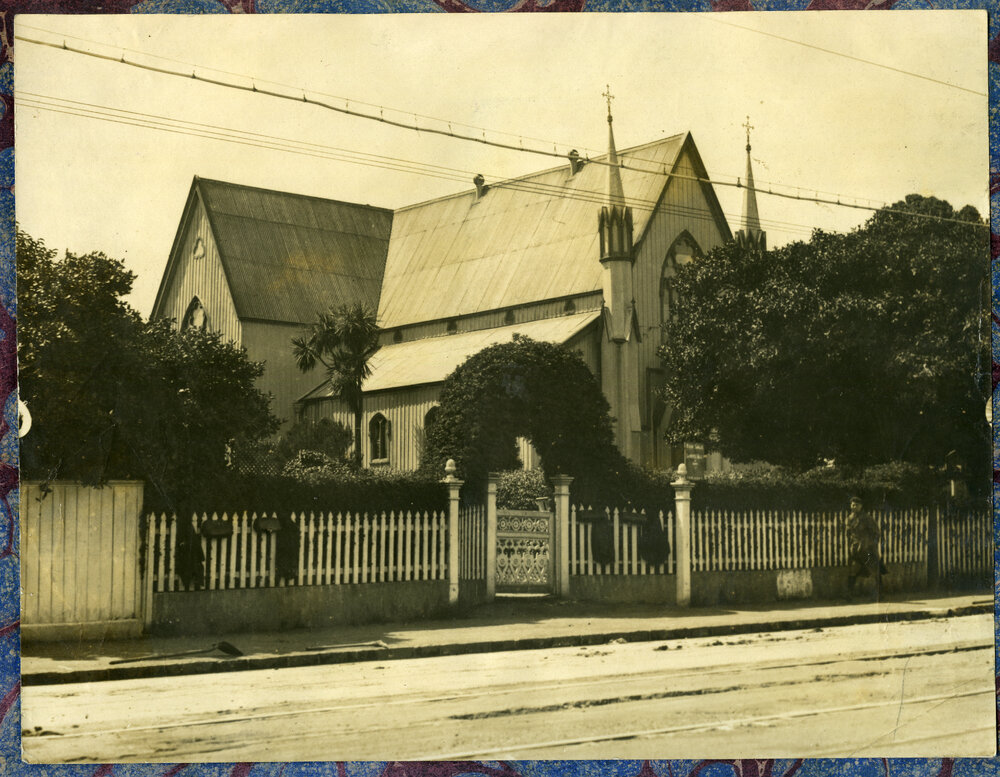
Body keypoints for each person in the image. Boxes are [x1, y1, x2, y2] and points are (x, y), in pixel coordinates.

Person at [846, 496, 881, 602]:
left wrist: (870, 544)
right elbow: (849, 534)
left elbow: (876, 533)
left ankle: (878, 595)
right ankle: (849, 595)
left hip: (868, 549)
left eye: (856, 505)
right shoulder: (849, 519)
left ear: (861, 506)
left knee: (874, 571)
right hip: (856, 550)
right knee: (853, 570)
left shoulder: (867, 518)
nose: (854, 507)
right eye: (852, 504)